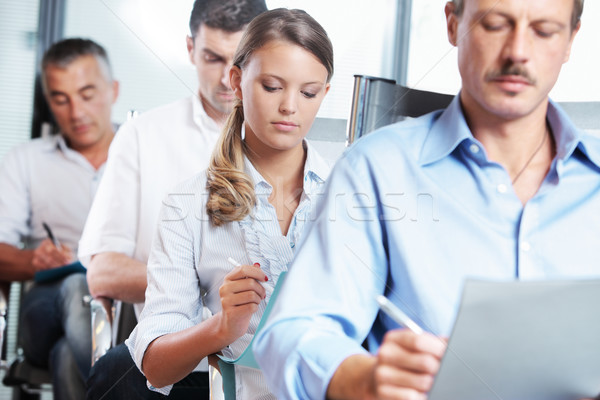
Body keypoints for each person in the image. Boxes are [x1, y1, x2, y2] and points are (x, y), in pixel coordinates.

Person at [254, 0, 598, 399]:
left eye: (543, 30)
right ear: (453, 23)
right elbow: (293, 332)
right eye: (496, 24)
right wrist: (359, 380)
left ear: (571, 40)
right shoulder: (375, 170)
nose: (518, 51)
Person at [126, 8, 333, 399]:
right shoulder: (186, 206)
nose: (291, 106)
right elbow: (155, 366)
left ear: (324, 94)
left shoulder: (352, 196)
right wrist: (221, 328)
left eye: (308, 92)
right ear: (237, 82)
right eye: (272, 86)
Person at [78, 1, 267, 399]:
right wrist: (186, 283)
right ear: (189, 48)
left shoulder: (292, 143)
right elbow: (103, 272)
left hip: (263, 359)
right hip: (170, 355)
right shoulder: (143, 136)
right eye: (211, 57)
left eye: (239, 61)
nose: (225, 77)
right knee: (116, 376)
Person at [0, 38, 119, 400]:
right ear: (48, 101)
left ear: (113, 90)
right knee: (75, 287)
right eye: (60, 98)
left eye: (86, 94)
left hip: (123, 311)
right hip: (47, 305)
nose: (76, 113)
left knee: (67, 357)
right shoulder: (25, 160)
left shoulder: (143, 156)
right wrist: (32, 260)